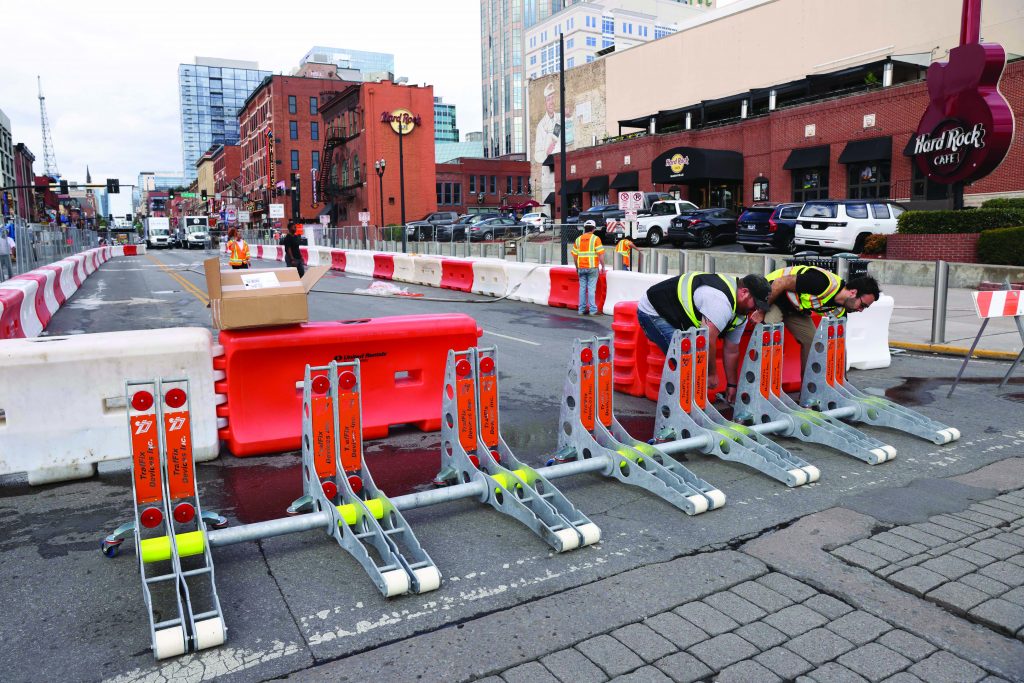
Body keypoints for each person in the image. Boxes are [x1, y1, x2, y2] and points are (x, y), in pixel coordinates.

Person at [638, 272, 772, 403]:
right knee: (685, 360)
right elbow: (707, 340)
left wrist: (732, 385)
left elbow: (731, 350)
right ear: (744, 292)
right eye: (756, 304)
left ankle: (689, 404)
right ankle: (673, 408)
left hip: (677, 313)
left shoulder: (741, 313)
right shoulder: (720, 302)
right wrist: (710, 374)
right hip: (654, 311)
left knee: (692, 361)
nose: (756, 310)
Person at [756, 265, 880, 368]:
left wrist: (842, 380)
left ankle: (808, 393)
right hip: (774, 294)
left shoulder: (840, 310)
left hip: (794, 308)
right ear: (853, 292)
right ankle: (762, 385)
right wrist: (761, 311)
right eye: (862, 305)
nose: (861, 310)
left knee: (812, 342)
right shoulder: (822, 283)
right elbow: (780, 282)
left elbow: (839, 345)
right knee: (769, 333)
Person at [571, 220, 605, 315]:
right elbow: (600, 254)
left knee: (582, 289)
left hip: (581, 267)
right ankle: (593, 310)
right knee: (591, 289)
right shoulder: (596, 239)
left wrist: (577, 267)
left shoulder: (578, 239)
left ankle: (581, 310)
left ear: (584, 228)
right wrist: (603, 266)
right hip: (592, 268)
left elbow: (574, 256)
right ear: (594, 229)